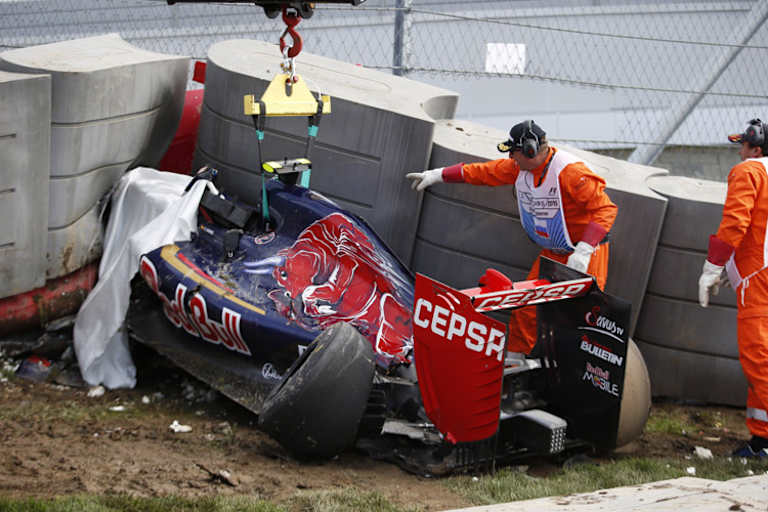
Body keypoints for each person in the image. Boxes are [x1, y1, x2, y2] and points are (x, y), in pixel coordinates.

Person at [406, 120, 617, 354]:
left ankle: (578, 373)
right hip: (555, 253)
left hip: (586, 254)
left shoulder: (571, 172)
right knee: (526, 309)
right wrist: (439, 174)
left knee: (579, 316)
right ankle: (517, 361)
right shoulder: (521, 168)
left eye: (515, 154)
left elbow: (605, 209)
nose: (511, 160)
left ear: (530, 150)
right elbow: (484, 172)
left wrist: (585, 250)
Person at [699, 118, 768, 458]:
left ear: (756, 148)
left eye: (743, 145)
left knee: (760, 360)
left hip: (759, 281)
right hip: (758, 272)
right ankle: (762, 442)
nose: (740, 152)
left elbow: (736, 221)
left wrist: (714, 266)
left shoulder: (750, 171)